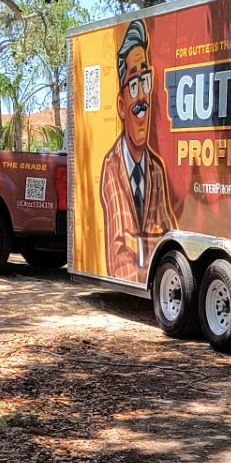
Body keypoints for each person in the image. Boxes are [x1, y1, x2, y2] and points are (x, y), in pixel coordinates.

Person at [99, 18, 175, 281]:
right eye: (133, 84)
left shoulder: (155, 171)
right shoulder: (113, 168)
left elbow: (168, 236)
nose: (142, 96)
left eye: (145, 81)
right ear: (121, 105)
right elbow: (119, 254)